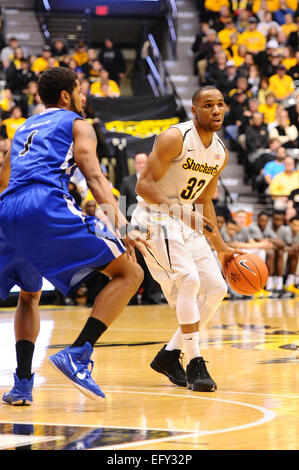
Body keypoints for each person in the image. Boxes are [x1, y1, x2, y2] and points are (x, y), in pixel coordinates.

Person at [0, 67, 149, 405]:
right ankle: (79, 353)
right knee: (130, 271)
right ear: (67, 96)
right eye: (80, 91)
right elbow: (93, 174)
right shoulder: (77, 123)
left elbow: (4, 178)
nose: (84, 98)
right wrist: (120, 224)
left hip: (6, 210)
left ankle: (23, 384)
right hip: (44, 203)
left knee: (29, 294)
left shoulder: (23, 127)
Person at [131, 86, 242, 392]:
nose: (216, 110)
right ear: (194, 110)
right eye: (208, 105)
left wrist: (221, 248)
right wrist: (183, 212)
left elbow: (205, 201)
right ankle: (195, 362)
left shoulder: (220, 152)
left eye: (220, 104)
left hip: (184, 219)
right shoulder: (175, 138)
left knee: (217, 288)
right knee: (189, 281)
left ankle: (169, 356)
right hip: (154, 216)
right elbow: (144, 187)